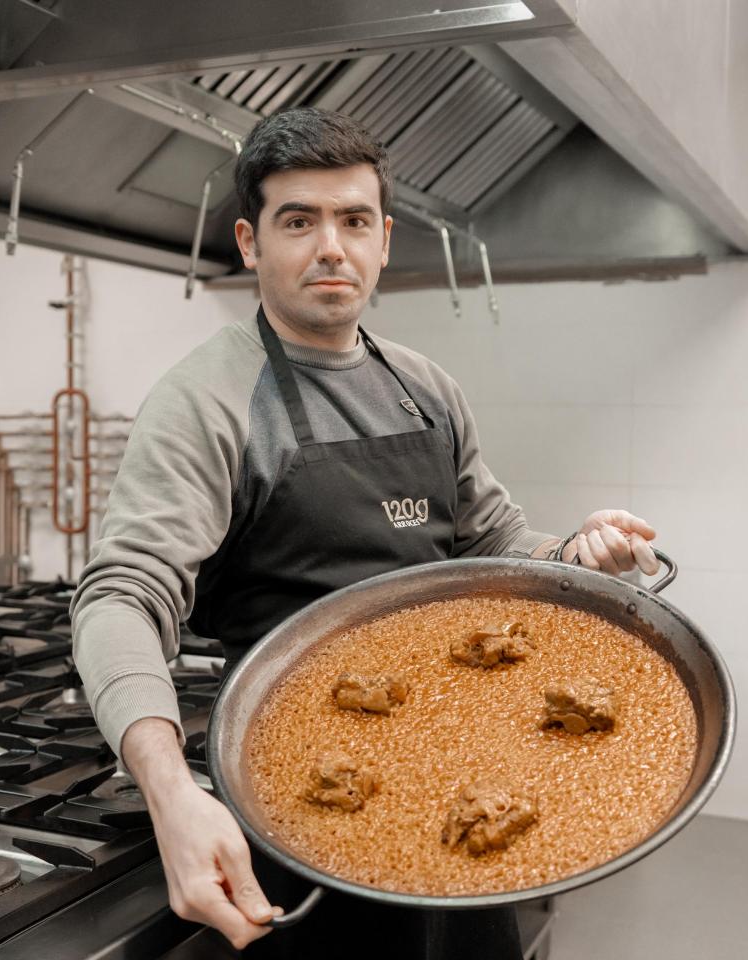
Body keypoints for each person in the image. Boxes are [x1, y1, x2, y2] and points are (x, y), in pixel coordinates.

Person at [71, 106, 660, 956]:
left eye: (352, 221)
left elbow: (489, 543)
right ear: (250, 242)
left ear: (382, 239)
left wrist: (577, 553)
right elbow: (121, 596)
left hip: (453, 767)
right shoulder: (206, 400)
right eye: (298, 221)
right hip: (300, 794)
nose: (330, 247)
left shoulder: (425, 387)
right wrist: (171, 793)